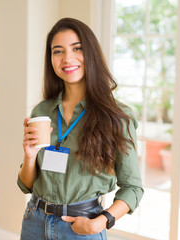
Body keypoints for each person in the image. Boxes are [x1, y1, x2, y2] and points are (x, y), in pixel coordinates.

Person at [18, 17, 144, 240]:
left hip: (80, 229)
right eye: (58, 51)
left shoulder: (117, 117)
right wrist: (29, 157)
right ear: (51, 59)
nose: (67, 58)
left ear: (91, 53)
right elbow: (27, 185)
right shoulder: (42, 111)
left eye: (77, 48)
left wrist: (100, 223)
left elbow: (133, 188)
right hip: (34, 222)